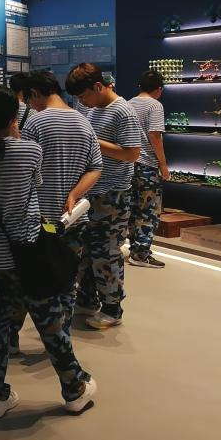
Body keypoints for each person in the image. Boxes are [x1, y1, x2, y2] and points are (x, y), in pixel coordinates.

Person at [0, 87, 96, 418]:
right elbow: (34, 188)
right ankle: (74, 390)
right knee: (49, 321)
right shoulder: (30, 151)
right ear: (14, 118)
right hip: (26, 255)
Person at [21, 70, 104, 327]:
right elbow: (96, 168)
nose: (30, 106)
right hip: (74, 219)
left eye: (29, 100)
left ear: (34, 93)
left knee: (34, 278)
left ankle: (32, 332)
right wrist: (74, 194)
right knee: (68, 278)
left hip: (41, 221)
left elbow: (25, 170)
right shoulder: (84, 122)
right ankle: (63, 331)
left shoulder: (35, 123)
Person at [65, 63, 141, 330]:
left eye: (84, 96)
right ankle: (87, 299)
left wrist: (93, 141)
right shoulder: (89, 107)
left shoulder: (123, 111)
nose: (82, 102)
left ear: (98, 87)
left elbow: (131, 153)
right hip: (90, 192)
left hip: (113, 193)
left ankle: (112, 308)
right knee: (86, 250)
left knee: (106, 252)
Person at [127, 70, 169, 268]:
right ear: (159, 89)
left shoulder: (128, 103)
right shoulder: (155, 105)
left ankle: (134, 250)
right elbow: (155, 135)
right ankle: (141, 254)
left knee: (133, 209)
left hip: (129, 163)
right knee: (148, 211)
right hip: (147, 165)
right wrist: (163, 164)